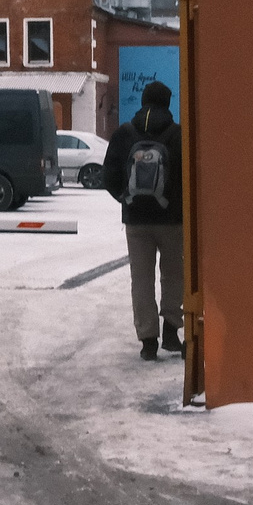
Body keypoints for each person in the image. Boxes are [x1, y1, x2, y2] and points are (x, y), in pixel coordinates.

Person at [102, 81, 183, 360]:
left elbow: (109, 176)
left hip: (136, 222)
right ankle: (171, 330)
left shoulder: (125, 133)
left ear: (143, 101)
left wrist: (127, 198)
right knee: (173, 275)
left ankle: (148, 340)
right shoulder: (178, 134)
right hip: (173, 220)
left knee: (142, 279)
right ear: (168, 103)